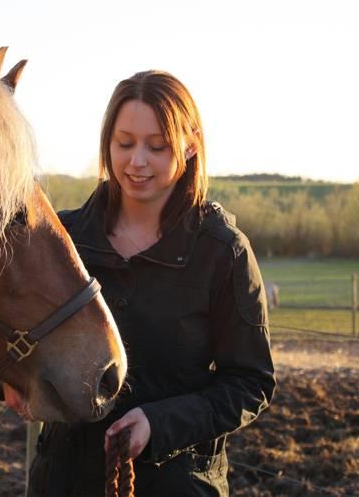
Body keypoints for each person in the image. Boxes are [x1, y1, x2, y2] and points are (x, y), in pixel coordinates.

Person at [26, 70, 276, 496]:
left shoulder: (223, 253)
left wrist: (159, 424)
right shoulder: (61, 240)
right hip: (62, 482)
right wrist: (10, 382)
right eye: (124, 143)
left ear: (190, 143)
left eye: (156, 146)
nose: (136, 161)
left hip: (178, 483)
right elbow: (19, 335)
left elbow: (251, 382)